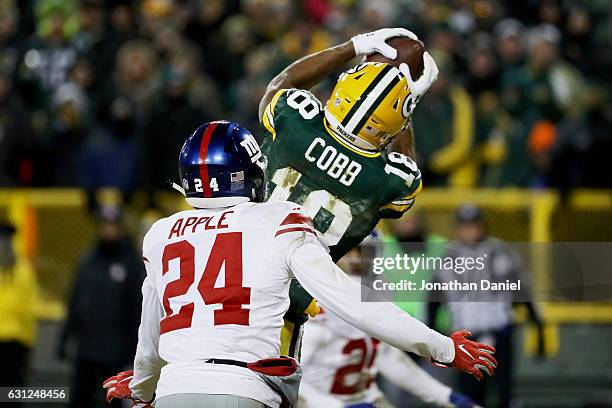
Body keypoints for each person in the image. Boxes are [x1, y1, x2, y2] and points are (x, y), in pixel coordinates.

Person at [102, 121, 496, 408]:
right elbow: (351, 301)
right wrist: (441, 347)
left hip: (174, 387)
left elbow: (150, 333)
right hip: (246, 387)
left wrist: (141, 389)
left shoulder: (161, 233)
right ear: (249, 173)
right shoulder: (276, 219)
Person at [258, 27, 439, 355]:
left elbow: (279, 86)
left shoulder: (294, 117)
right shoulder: (389, 181)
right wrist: (405, 105)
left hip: (220, 287)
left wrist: (354, 46)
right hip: (281, 319)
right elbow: (403, 164)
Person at [299, 235, 479, 408]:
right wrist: (338, 406)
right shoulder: (314, 310)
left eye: (363, 252)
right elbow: (292, 379)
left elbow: (389, 358)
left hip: (365, 398)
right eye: (349, 251)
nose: (356, 259)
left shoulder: (376, 290)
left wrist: (445, 396)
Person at [428, 203, 544, 408]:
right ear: (458, 228)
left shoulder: (501, 251)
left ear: (483, 225)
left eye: (474, 224)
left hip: (499, 330)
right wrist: (432, 332)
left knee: (503, 391)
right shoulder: (448, 257)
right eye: (466, 225)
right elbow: (434, 297)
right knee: (471, 393)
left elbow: (522, 288)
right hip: (466, 337)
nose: (470, 230)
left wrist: (536, 321)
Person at [59, 205, 144, 408]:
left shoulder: (130, 262)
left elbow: (137, 308)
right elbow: (76, 300)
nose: (108, 230)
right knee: (80, 398)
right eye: (104, 225)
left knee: (112, 400)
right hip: (87, 347)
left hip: (116, 349)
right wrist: (65, 337)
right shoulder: (88, 260)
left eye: (112, 225)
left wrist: (136, 348)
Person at [0, 221, 37, 407]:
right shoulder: (23, 269)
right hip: (15, 341)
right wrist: (28, 343)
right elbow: (28, 310)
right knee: (11, 394)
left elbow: (28, 309)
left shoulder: (22, 270)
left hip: (14, 342)